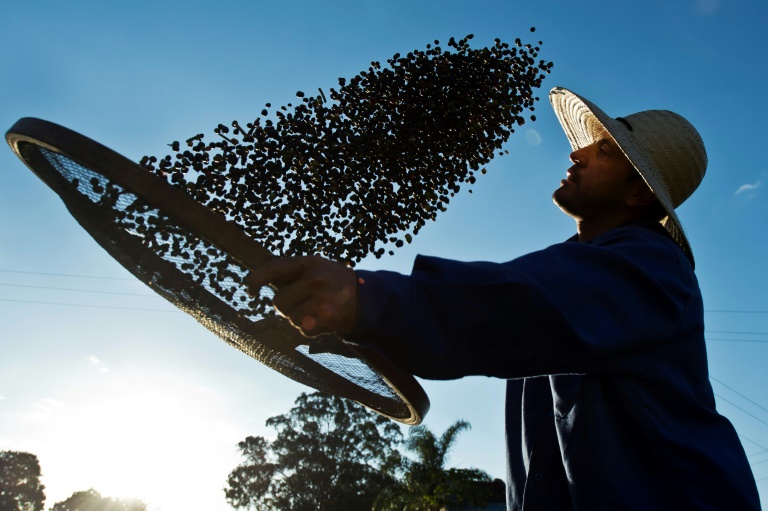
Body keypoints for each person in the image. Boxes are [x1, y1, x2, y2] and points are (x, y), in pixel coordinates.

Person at [246, 87, 762, 510]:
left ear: (638, 195)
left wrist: (368, 303)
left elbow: (516, 307)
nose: (576, 153)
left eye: (604, 151)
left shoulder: (648, 265)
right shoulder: (569, 266)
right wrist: (362, 322)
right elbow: (501, 328)